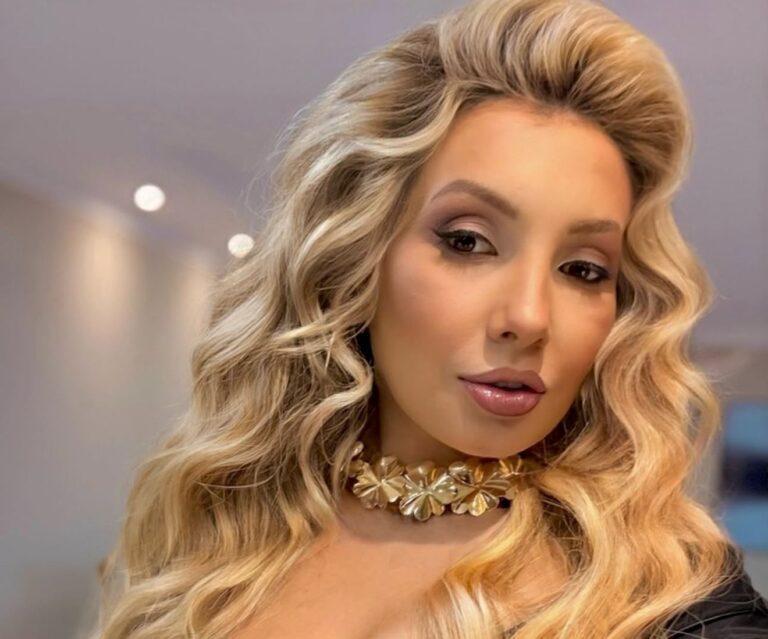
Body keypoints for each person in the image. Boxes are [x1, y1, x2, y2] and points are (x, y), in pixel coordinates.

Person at [87, 0, 768, 637]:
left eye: (584, 269)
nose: (529, 317)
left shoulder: (671, 598)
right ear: (358, 253)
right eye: (468, 241)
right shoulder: (219, 530)